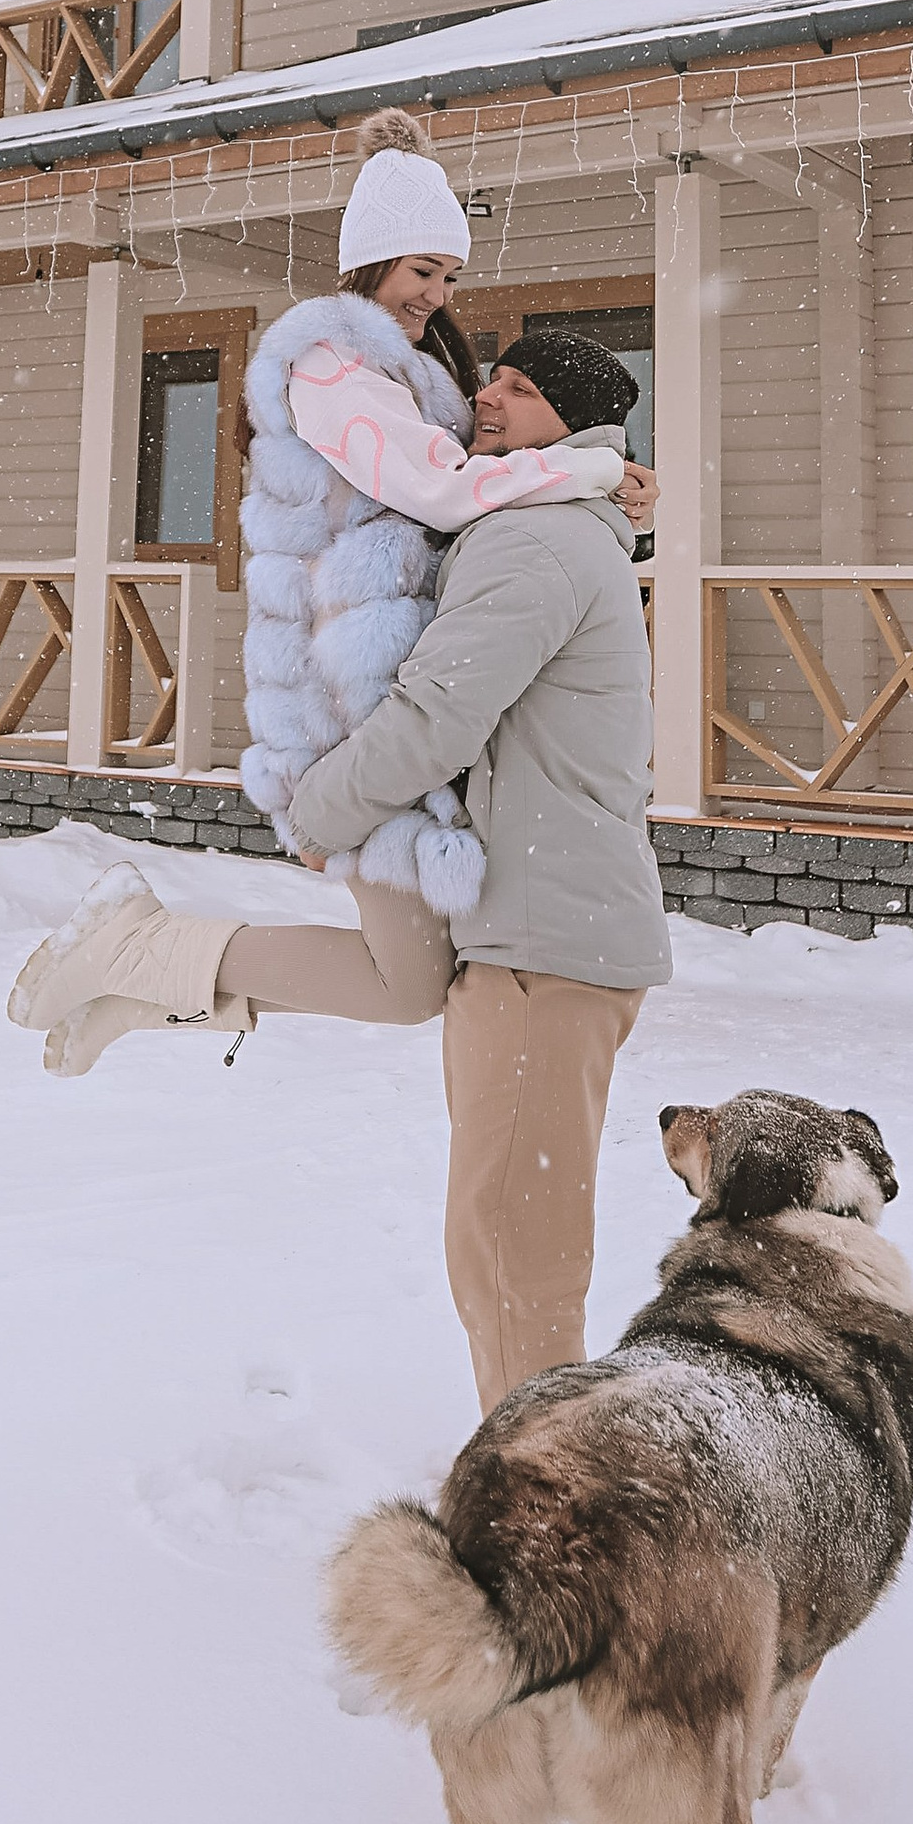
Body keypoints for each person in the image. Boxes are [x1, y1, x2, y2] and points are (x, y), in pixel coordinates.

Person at [6, 109, 654, 1073]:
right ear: (371, 262)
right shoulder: (331, 367)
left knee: (413, 983)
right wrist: (585, 472)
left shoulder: (410, 377)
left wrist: (605, 482)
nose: (435, 295)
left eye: (447, 277)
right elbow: (437, 487)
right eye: (420, 272)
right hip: (351, 701)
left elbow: (467, 489)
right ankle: (137, 953)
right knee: (408, 986)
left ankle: (149, 987)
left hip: (388, 683)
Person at [285, 321, 671, 1406]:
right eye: (488, 379)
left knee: (514, 1257)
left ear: (574, 421)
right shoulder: (548, 524)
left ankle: (544, 1515)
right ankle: (539, 1476)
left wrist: (318, 809)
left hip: (546, 947)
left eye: (517, 386)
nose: (487, 398)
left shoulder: (533, 538)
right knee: (507, 1246)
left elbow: (437, 715)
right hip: (546, 934)